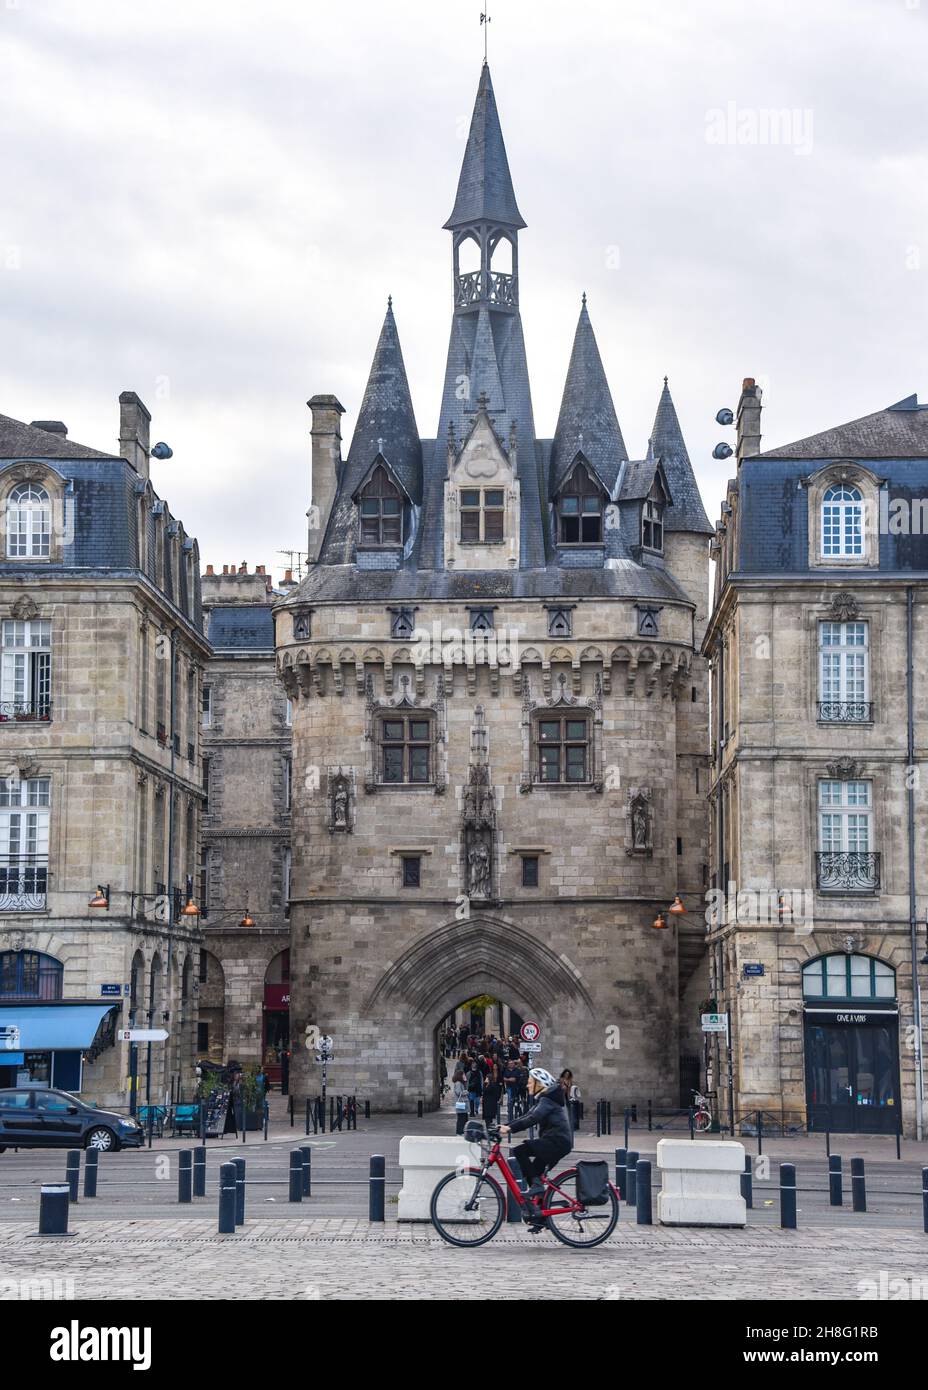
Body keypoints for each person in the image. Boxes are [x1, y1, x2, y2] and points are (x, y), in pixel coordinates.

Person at [499, 1067, 573, 1220]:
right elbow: (528, 1115)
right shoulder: (547, 1097)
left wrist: (510, 1128)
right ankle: (540, 1217)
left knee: (520, 1151)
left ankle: (537, 1188)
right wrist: (505, 1125)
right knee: (534, 1175)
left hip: (556, 1142)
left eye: (530, 1082)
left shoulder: (548, 1099)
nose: (527, 1085)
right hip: (556, 1142)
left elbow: (533, 1119)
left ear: (540, 1083)